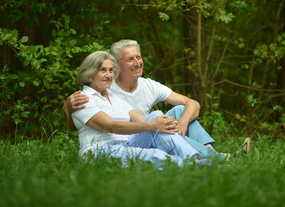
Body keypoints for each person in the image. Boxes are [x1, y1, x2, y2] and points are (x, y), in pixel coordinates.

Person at [64, 39, 252, 155]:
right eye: (130, 59)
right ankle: (212, 158)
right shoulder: (106, 86)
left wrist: (183, 122)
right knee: (157, 120)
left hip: (151, 131)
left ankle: (210, 153)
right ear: (117, 65)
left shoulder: (149, 85)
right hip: (136, 136)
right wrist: (67, 106)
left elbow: (192, 103)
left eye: (138, 57)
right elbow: (83, 120)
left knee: (180, 110)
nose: (137, 63)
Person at [72, 51, 223, 170]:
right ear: (90, 73)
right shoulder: (83, 99)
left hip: (127, 144)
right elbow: (109, 125)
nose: (109, 75)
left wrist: (162, 122)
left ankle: (197, 159)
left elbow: (144, 119)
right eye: (102, 70)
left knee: (158, 115)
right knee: (155, 154)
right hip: (101, 151)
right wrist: (152, 125)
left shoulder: (114, 98)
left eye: (111, 70)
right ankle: (207, 165)